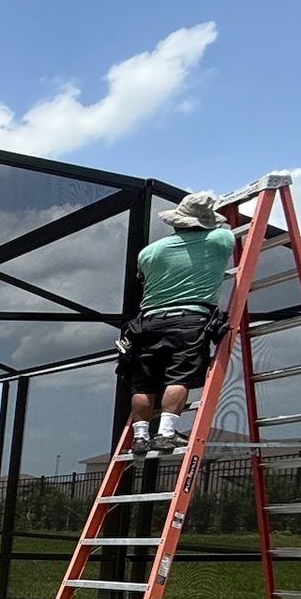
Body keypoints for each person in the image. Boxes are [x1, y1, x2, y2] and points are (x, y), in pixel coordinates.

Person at [117, 191, 237, 456]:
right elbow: (226, 229)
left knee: (143, 384)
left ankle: (140, 438)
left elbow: (143, 279)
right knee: (179, 377)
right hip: (189, 320)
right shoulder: (219, 240)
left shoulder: (149, 252)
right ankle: (166, 433)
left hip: (147, 323)